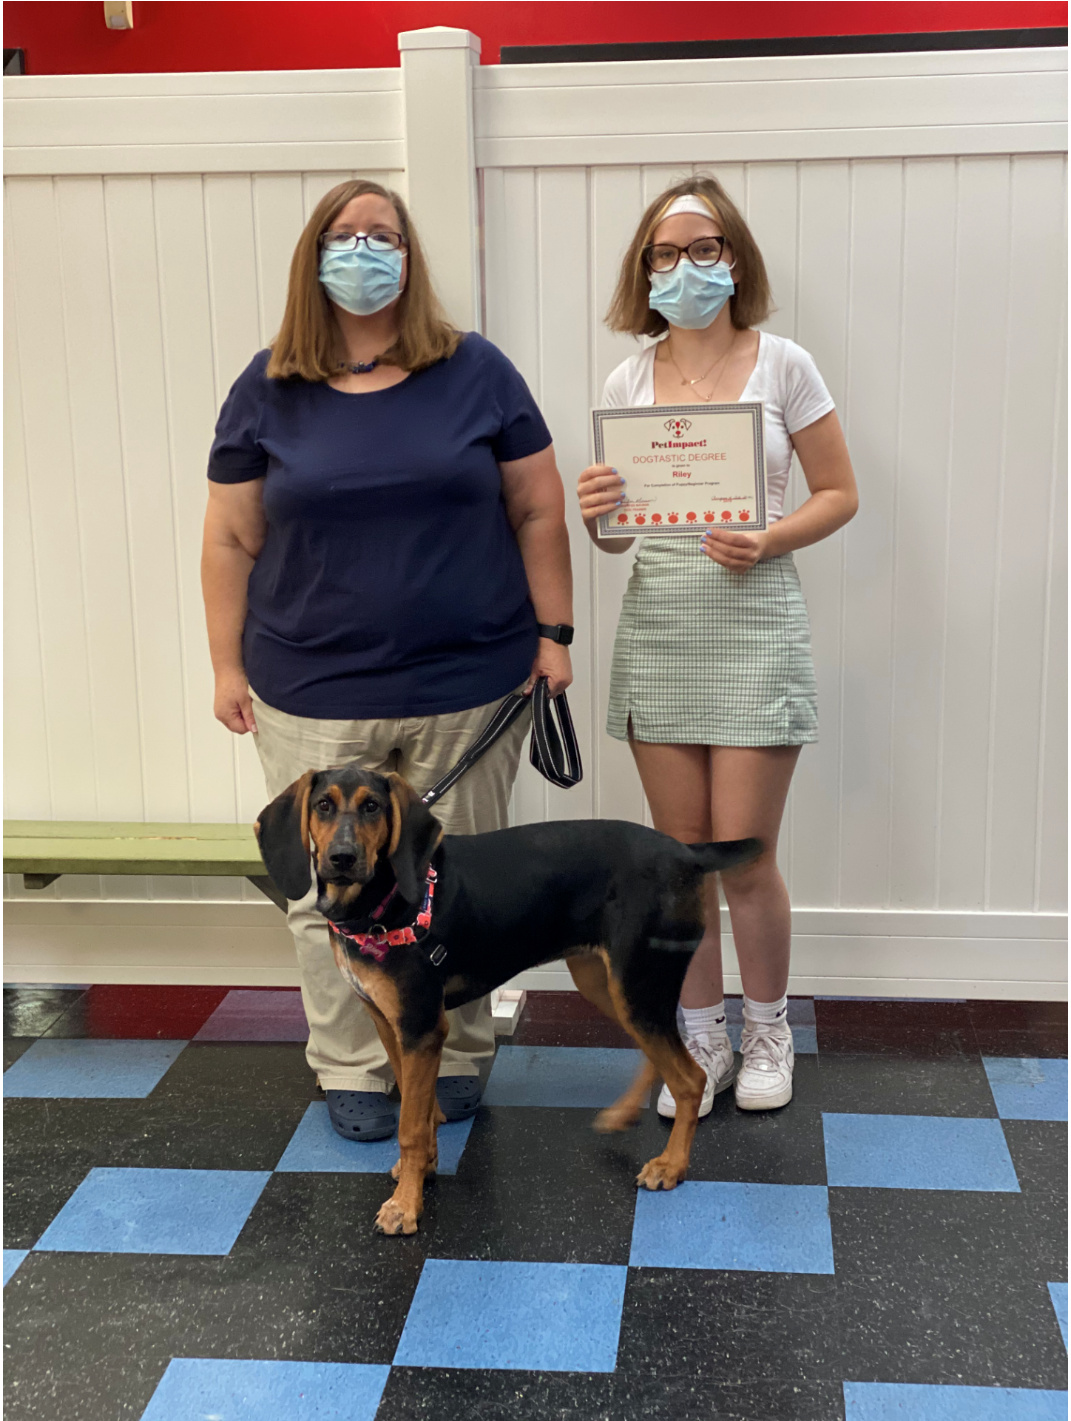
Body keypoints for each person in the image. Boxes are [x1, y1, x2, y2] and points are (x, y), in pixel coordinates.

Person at [202, 179, 573, 1142]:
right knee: (323, 887)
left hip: (471, 684)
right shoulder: (266, 386)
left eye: (384, 235)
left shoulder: (476, 371)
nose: (364, 250)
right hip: (311, 690)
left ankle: (453, 1055)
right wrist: (223, 667)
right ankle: (357, 1067)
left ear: (411, 258)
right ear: (311, 255)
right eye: (344, 235)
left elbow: (536, 506)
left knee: (454, 885)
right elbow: (230, 539)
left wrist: (555, 635)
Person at [577, 177, 857, 1115]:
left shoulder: (784, 365)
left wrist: (769, 537)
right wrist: (598, 520)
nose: (686, 267)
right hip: (660, 628)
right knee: (676, 860)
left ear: (734, 258)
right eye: (666, 254)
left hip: (754, 622)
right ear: (643, 269)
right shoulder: (628, 379)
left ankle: (767, 1027)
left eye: (704, 249)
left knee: (744, 857)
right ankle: (697, 1038)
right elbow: (620, 537)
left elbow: (837, 493)